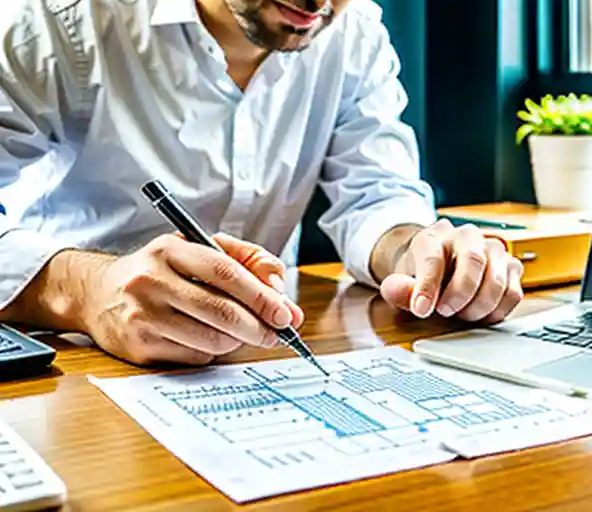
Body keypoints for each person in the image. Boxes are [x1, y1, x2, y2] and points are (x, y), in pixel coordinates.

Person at [0, 0, 524, 366]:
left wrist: (420, 254)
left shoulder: (354, 32)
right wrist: (81, 290)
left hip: (251, 359)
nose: (319, 1)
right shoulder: (55, 20)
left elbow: (377, 196)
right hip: (66, 370)